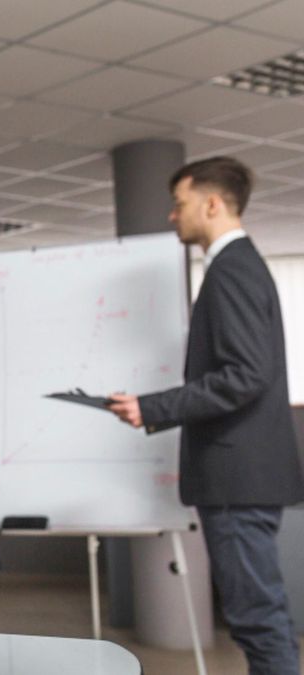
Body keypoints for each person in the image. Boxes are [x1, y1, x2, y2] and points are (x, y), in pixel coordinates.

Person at [107, 156, 304, 675]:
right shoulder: (241, 265)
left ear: (212, 204)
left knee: (257, 620)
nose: (173, 215)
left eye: (179, 204)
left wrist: (151, 407)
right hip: (246, 477)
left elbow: (245, 375)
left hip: (238, 480)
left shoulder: (231, 269)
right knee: (259, 616)